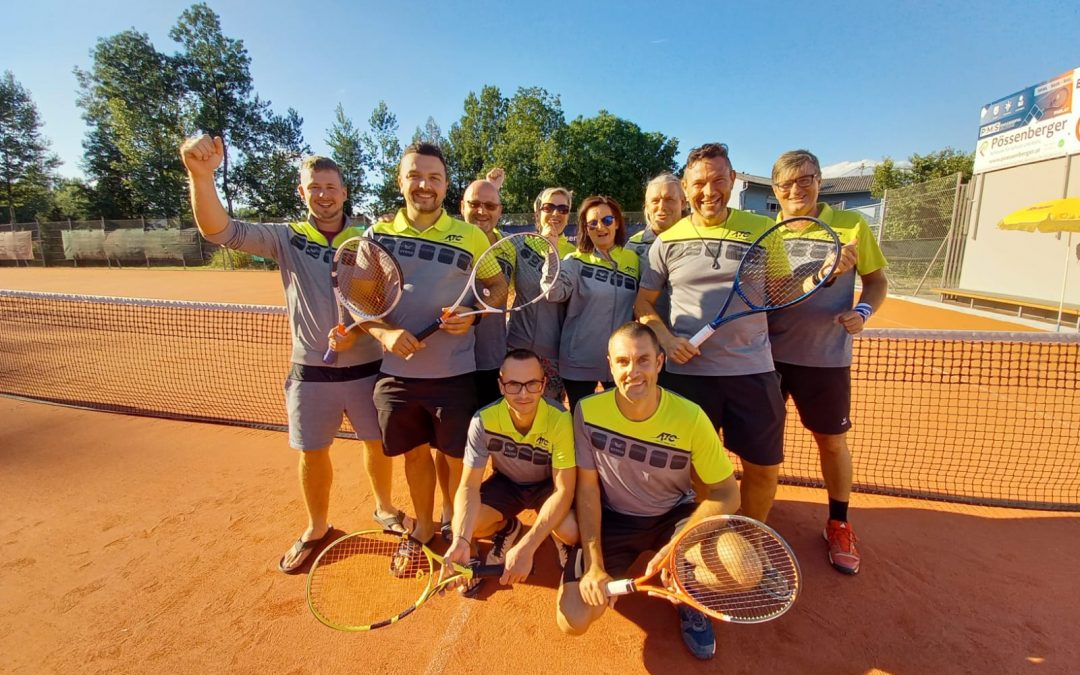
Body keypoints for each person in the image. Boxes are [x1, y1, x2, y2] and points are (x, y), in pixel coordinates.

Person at [179, 136, 409, 574]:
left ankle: (384, 509)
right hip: (310, 372)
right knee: (312, 452)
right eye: (314, 187)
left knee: (376, 443)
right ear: (301, 193)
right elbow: (219, 230)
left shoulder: (369, 240)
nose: (323, 195)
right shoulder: (286, 238)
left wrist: (359, 328)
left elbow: (382, 298)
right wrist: (201, 176)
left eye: (331, 187)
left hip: (367, 369)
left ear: (344, 192)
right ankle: (318, 526)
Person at [556, 322, 740, 661]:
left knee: (743, 570)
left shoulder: (690, 416)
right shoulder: (587, 411)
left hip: (674, 514)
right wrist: (595, 562)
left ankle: (686, 591)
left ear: (659, 362)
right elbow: (587, 489)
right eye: (623, 361)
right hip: (616, 519)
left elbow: (728, 494)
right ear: (610, 365)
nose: (633, 371)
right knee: (573, 619)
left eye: (643, 360)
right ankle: (578, 556)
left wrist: (677, 546)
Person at [361, 142, 507, 551]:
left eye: (434, 178)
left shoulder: (473, 237)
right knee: (414, 457)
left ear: (445, 186)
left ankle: (452, 524)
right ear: (401, 181)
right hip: (397, 375)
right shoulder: (378, 234)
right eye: (415, 176)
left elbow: (496, 287)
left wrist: (475, 314)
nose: (424, 185)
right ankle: (423, 526)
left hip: (454, 376)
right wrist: (384, 334)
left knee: (456, 458)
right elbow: (361, 301)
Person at [635, 142, 786, 525]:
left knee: (763, 469)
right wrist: (667, 340)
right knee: (701, 469)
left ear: (733, 180)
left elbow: (786, 288)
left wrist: (820, 276)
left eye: (719, 180)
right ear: (686, 188)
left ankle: (754, 536)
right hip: (690, 378)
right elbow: (643, 304)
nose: (709, 191)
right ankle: (715, 533)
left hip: (752, 371)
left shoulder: (765, 230)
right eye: (699, 183)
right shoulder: (666, 242)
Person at [767, 149, 888, 575]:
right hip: (767, 356)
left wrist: (864, 313)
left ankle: (839, 522)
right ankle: (756, 514)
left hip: (826, 358)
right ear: (775, 190)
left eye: (806, 180)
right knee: (762, 444)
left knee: (831, 442)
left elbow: (876, 283)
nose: (796, 190)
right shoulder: (767, 233)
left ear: (819, 181)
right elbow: (771, 291)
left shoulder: (852, 226)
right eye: (787, 184)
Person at [443, 349, 578, 596]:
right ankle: (507, 528)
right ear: (501, 385)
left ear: (544, 384)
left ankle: (555, 536)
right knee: (463, 525)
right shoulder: (483, 421)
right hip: (507, 485)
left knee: (571, 532)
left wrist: (528, 546)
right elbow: (468, 487)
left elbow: (564, 489)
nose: (524, 393)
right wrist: (461, 540)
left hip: (547, 487)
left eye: (532, 384)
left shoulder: (560, 419)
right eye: (514, 385)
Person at [543, 196, 640, 412]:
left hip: (620, 361)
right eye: (592, 223)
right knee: (581, 423)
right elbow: (553, 293)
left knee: (618, 423)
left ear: (616, 222)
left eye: (606, 220)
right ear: (586, 229)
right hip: (578, 360)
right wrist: (551, 252)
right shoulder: (575, 261)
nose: (600, 227)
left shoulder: (633, 260)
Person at [506, 187, 577, 401]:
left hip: (554, 354)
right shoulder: (518, 244)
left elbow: (557, 295)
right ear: (537, 212)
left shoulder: (575, 255)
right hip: (515, 346)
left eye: (563, 209)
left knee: (549, 418)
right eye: (549, 207)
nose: (556, 213)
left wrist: (552, 248)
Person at [460, 169, 508, 407]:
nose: (482, 211)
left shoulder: (511, 246)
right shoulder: (448, 241)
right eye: (475, 204)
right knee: (452, 442)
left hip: (492, 360)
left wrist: (491, 188)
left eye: (490, 206)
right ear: (462, 207)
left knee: (490, 436)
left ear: (499, 211)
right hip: (451, 362)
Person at [626, 173, 686, 322]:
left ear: (683, 202)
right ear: (646, 206)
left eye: (669, 199)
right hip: (647, 338)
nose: (661, 207)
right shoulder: (633, 246)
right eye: (655, 201)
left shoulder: (699, 242)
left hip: (691, 337)